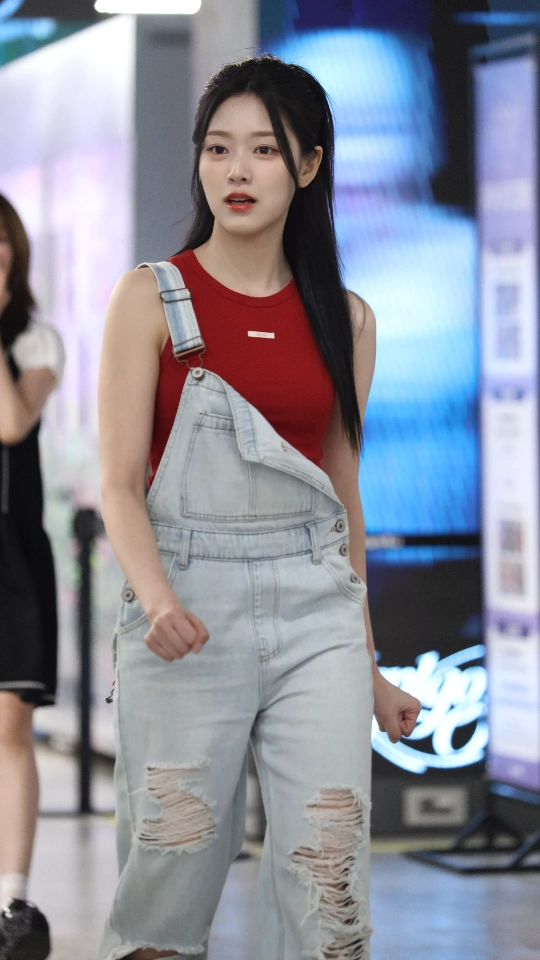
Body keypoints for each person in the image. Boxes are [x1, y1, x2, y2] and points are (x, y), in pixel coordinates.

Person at [97, 56, 421, 960]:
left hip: (317, 616)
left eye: (264, 150)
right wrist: (158, 599)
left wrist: (370, 668)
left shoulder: (347, 319)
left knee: (330, 877)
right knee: (168, 878)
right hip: (184, 613)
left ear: (309, 165)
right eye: (218, 148)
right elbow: (118, 483)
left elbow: (341, 499)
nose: (236, 170)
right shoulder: (151, 296)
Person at [0, 195, 65, 960]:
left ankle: (12, 903)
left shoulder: (35, 340)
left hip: (12, 555)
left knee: (8, 727)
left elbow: (12, 421)